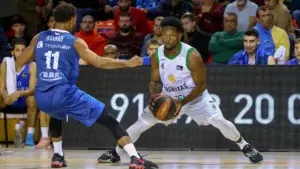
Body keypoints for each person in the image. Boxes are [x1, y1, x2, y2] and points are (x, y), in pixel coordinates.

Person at [98, 16, 264, 164]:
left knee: (219, 121)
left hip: (195, 98)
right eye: (164, 34)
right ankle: (117, 152)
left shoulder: (192, 56)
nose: (167, 38)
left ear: (179, 35)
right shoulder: (157, 55)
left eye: (171, 34)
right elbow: (155, 81)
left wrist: (181, 103)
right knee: (140, 124)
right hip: (168, 97)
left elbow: (201, 85)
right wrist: (155, 96)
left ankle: (244, 145)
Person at [15, 3, 157, 169]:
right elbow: (99, 62)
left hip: (42, 96)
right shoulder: (74, 41)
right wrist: (127, 63)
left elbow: (20, 62)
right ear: (72, 20)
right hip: (64, 92)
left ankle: (58, 155)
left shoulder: (38, 37)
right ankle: (135, 158)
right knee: (109, 120)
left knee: (56, 114)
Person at [0, 38, 50, 148]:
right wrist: (5, 96)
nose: (21, 53)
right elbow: (1, 87)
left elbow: (32, 89)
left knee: (34, 98)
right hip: (8, 99)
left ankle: (29, 136)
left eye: (23, 50)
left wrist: (18, 93)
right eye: (17, 50)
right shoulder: (5, 64)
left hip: (23, 98)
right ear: (12, 52)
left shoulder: (32, 66)